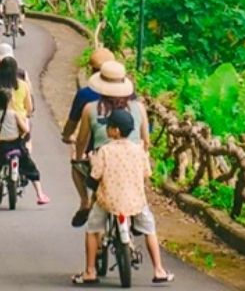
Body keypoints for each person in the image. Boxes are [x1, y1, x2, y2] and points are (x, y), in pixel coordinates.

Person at [71, 109, 173, 285]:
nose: (106, 130)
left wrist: (92, 161)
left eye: (109, 127)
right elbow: (146, 173)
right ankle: (159, 269)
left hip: (108, 201)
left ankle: (89, 271)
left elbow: (95, 176)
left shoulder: (104, 151)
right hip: (136, 201)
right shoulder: (138, 150)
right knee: (149, 229)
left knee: (93, 229)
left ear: (116, 131)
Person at [70, 60, 149, 227]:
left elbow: (82, 140)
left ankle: (85, 202)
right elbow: (146, 141)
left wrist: (78, 157)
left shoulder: (91, 108)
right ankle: (136, 213)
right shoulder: (138, 107)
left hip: (103, 160)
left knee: (77, 165)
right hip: (134, 159)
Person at [63, 47, 115, 221]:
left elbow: (73, 125)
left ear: (92, 71)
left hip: (94, 150)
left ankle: (84, 201)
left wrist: (67, 136)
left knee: (76, 164)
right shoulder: (128, 96)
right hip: (126, 151)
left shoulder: (85, 95)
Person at [0, 87, 51, 206]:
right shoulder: (14, 114)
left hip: (3, 147)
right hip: (17, 145)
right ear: (10, 101)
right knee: (31, 168)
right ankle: (40, 194)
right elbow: (26, 129)